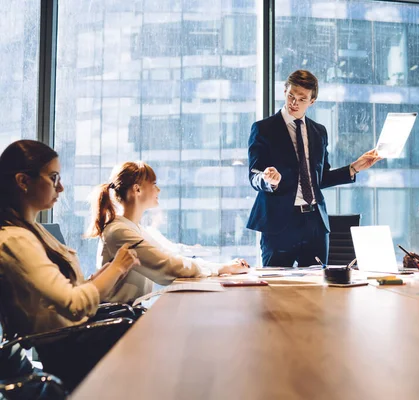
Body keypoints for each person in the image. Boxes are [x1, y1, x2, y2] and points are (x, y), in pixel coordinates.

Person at [0, 140, 140, 389]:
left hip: (71, 339)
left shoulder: (34, 231)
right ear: (23, 181)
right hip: (67, 350)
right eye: (53, 178)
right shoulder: (16, 239)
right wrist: (117, 268)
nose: (61, 187)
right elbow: (75, 306)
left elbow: (68, 295)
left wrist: (105, 275)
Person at [247, 69, 381, 267]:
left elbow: (320, 179)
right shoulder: (263, 129)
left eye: (302, 99)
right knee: (275, 290)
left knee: (318, 287)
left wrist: (353, 168)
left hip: (314, 224)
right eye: (291, 95)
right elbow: (253, 174)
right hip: (279, 223)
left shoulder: (319, 132)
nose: (294, 103)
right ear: (285, 91)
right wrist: (268, 180)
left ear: (312, 101)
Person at [88, 161, 249, 304]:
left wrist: (223, 267)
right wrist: (221, 269)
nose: (158, 189)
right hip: (118, 319)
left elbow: (170, 257)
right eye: (154, 184)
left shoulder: (135, 229)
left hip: (127, 314)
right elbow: (167, 266)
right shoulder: (119, 232)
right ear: (137, 189)